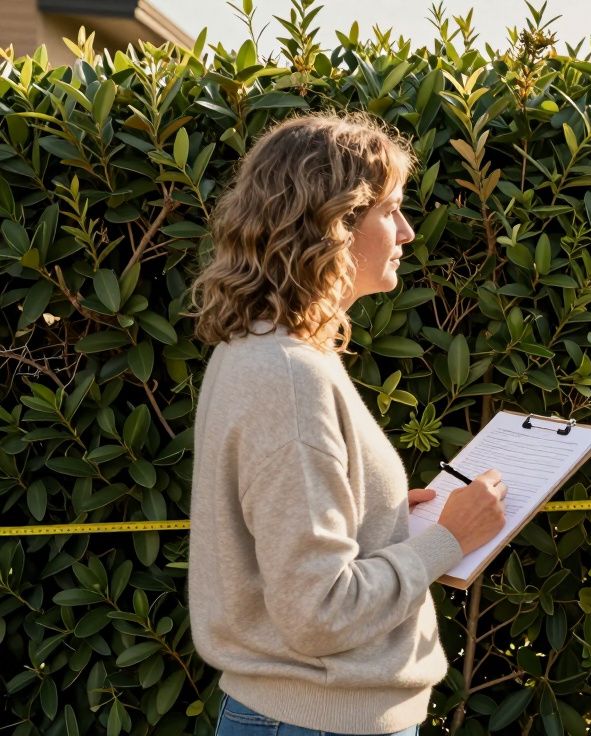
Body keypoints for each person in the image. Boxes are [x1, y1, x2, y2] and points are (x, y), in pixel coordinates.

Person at [188, 112, 508, 736]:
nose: (408, 232)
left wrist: (386, 519)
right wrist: (448, 540)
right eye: (390, 211)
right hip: (316, 725)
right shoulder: (287, 376)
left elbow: (294, 547)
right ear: (333, 225)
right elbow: (318, 612)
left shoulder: (269, 355)